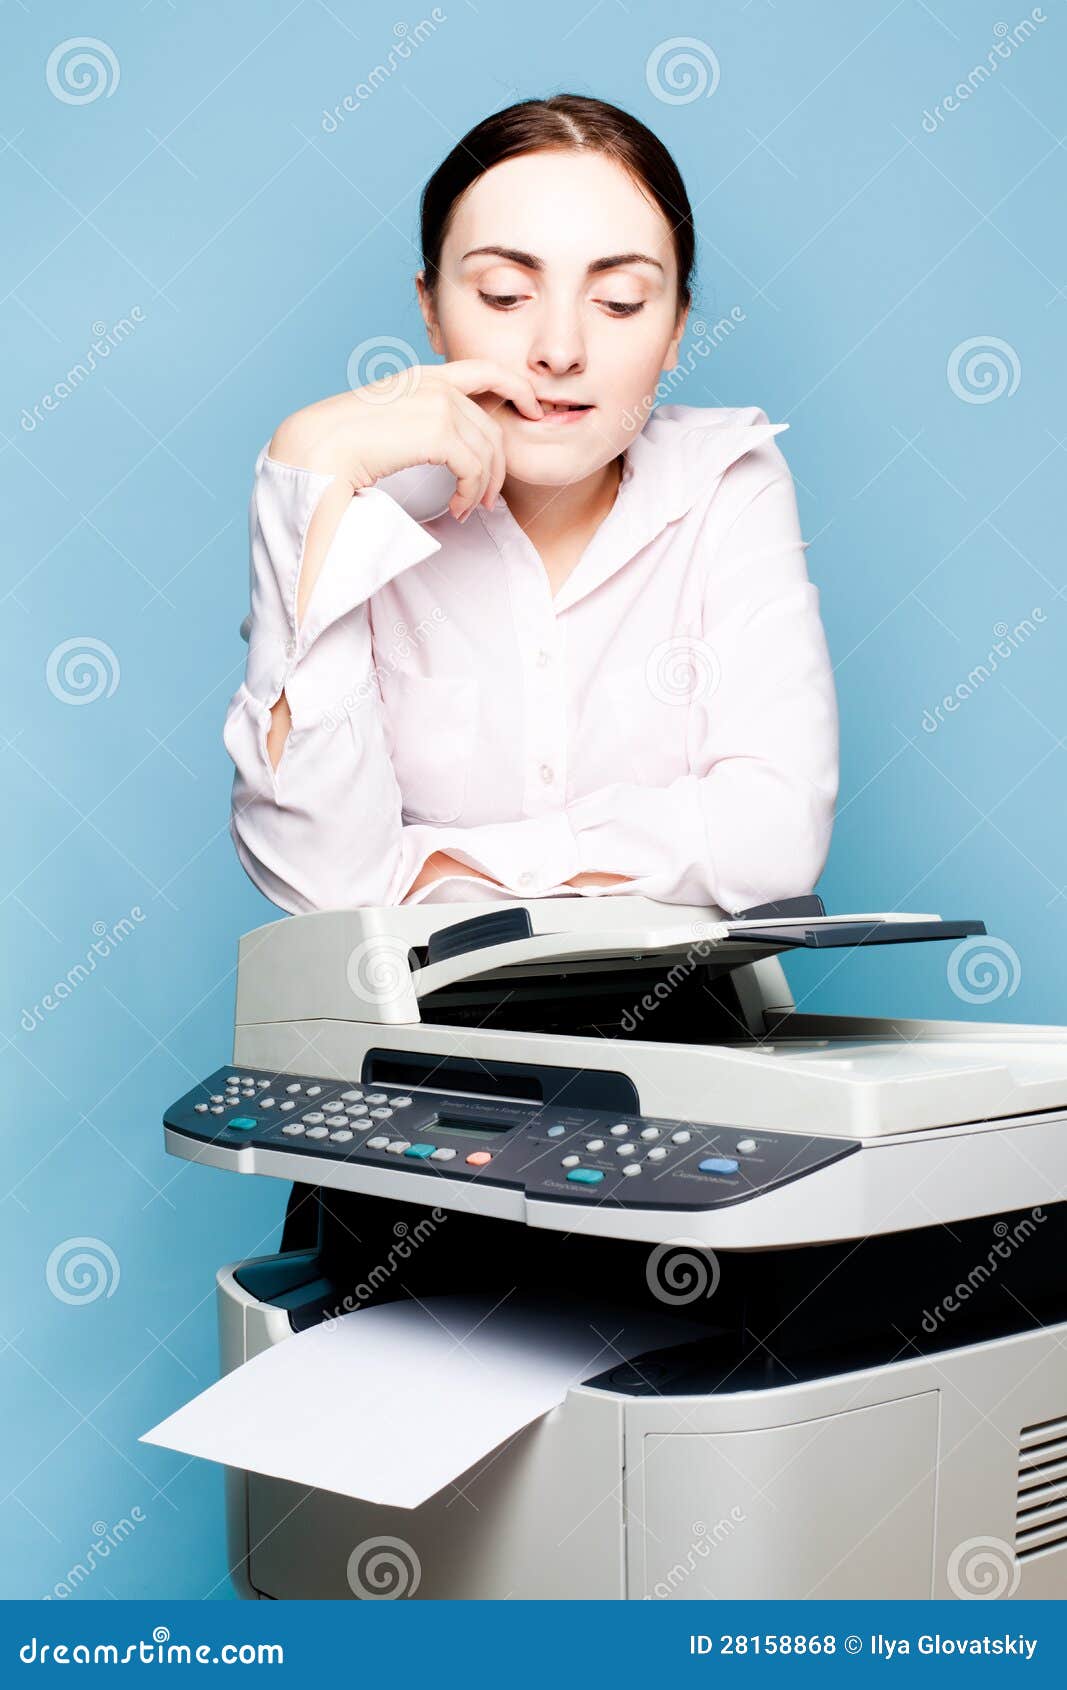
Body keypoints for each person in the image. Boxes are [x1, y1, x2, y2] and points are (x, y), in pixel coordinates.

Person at [224, 93, 840, 1254]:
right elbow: (321, 877)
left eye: (618, 300)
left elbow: (769, 842)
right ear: (429, 308)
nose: (557, 347)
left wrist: (444, 869)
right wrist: (303, 476)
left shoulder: (728, 483)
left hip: (692, 1094)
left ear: (675, 325)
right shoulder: (359, 510)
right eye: (503, 295)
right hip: (409, 1101)